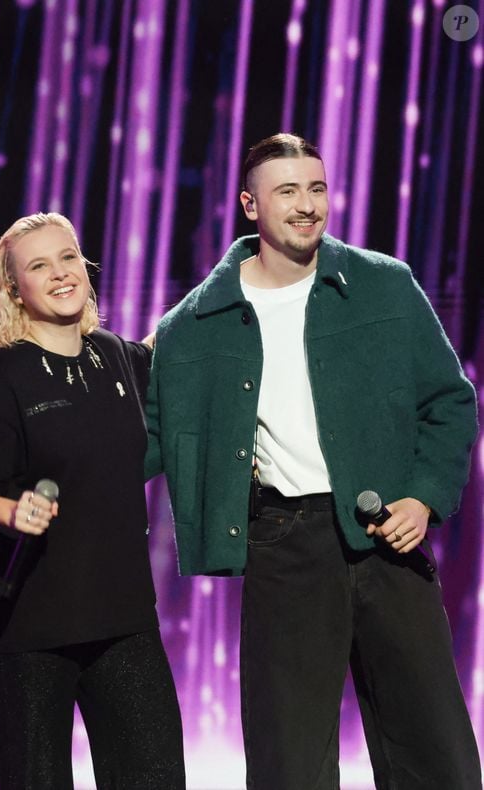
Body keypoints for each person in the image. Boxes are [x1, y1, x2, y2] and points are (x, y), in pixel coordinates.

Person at [145, 134, 481, 789]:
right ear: (250, 205)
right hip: (284, 543)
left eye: (317, 188)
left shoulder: (384, 285)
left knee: (432, 747)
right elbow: (145, 436)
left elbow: (449, 401)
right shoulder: (196, 322)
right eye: (288, 191)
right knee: (287, 758)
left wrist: (422, 497)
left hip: (388, 539)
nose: (307, 205)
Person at [0, 212, 185, 790]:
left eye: (68, 258)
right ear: (13, 288)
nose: (60, 274)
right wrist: (9, 511)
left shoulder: (117, 356)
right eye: (39, 266)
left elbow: (171, 346)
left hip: (124, 619)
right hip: (31, 627)